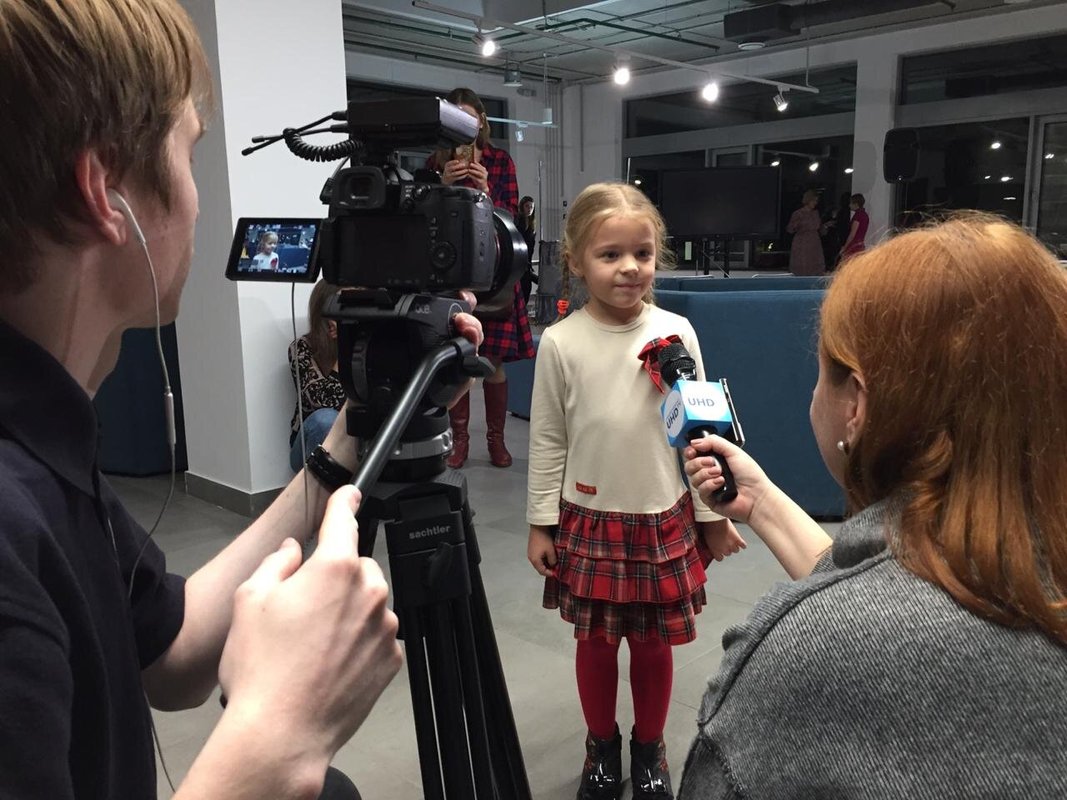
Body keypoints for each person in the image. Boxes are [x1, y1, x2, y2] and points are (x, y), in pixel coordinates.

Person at [0, 2, 484, 797]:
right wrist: (278, 733)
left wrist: (352, 438)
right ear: (105, 193)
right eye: (191, 152)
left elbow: (172, 657)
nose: (199, 200)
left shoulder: (44, 444)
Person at [677, 214, 1067, 798]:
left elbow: (873, 613)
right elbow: (899, 578)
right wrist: (761, 505)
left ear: (856, 405)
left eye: (820, 373)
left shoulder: (802, 654)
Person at [526, 183, 746, 800]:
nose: (630, 267)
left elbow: (702, 435)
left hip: (660, 517)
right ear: (576, 261)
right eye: (610, 254)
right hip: (588, 517)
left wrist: (712, 514)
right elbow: (548, 438)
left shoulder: (678, 332)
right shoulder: (560, 342)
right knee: (595, 643)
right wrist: (541, 521)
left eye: (642, 254)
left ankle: (650, 747)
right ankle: (601, 745)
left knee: (653, 644)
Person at [427, 87, 535, 469]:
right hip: (452, 272)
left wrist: (486, 188)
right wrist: (442, 185)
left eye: (469, 118)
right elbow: (424, 218)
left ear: (481, 121)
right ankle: (459, 441)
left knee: (494, 361)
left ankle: (496, 441)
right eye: (455, 117)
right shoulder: (435, 162)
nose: (463, 126)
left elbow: (511, 220)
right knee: (457, 356)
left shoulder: (500, 162)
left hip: (496, 273)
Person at [289, 279, 347, 472]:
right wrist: (345, 348)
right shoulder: (302, 347)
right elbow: (322, 401)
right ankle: (316, 487)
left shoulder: (368, 346)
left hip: (353, 437)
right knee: (325, 419)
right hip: (312, 439)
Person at [786, 189, 827, 275]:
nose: (815, 203)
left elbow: (821, 229)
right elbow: (790, 229)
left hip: (815, 242)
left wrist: (825, 226)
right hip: (802, 242)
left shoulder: (816, 213)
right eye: (814, 200)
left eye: (816, 201)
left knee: (815, 264)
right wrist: (797, 224)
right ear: (808, 200)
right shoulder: (798, 213)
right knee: (803, 263)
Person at [517, 195, 538, 305]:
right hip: (519, 261)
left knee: (527, 289)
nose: (529, 209)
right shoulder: (518, 222)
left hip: (527, 263)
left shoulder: (532, 226)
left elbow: (531, 247)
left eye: (531, 207)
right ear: (522, 207)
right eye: (527, 206)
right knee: (522, 289)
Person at [839, 192, 870, 261]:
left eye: (851, 203)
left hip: (853, 246)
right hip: (860, 244)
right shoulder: (865, 215)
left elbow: (852, 234)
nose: (849, 205)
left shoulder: (857, 216)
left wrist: (844, 247)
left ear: (856, 204)